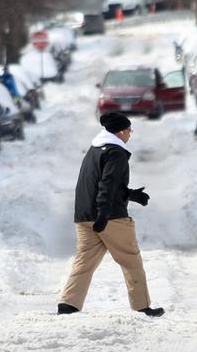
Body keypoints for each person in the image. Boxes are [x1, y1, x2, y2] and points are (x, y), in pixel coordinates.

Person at [58, 112, 163, 317]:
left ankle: (68, 304)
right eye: (129, 130)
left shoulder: (94, 149)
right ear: (121, 131)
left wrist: (131, 195)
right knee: (131, 260)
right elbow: (106, 185)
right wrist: (104, 214)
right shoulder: (116, 153)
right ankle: (142, 306)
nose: (130, 134)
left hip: (83, 215)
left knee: (84, 261)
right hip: (109, 218)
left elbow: (100, 183)